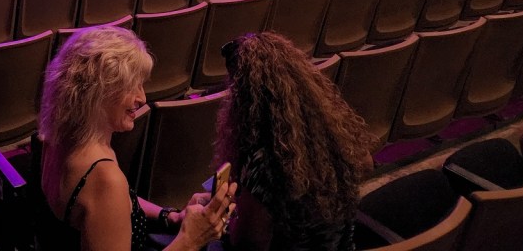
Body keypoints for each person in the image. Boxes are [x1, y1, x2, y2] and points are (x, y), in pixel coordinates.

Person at [37, 25, 235, 251]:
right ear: (99, 93)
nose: (142, 97)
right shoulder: (105, 179)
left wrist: (170, 217)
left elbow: (119, 203)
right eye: (131, 87)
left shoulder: (59, 135)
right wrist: (192, 239)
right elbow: (109, 197)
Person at [214, 33, 375, 251]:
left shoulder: (266, 161)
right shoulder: (333, 130)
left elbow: (247, 244)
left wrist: (228, 217)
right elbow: (366, 165)